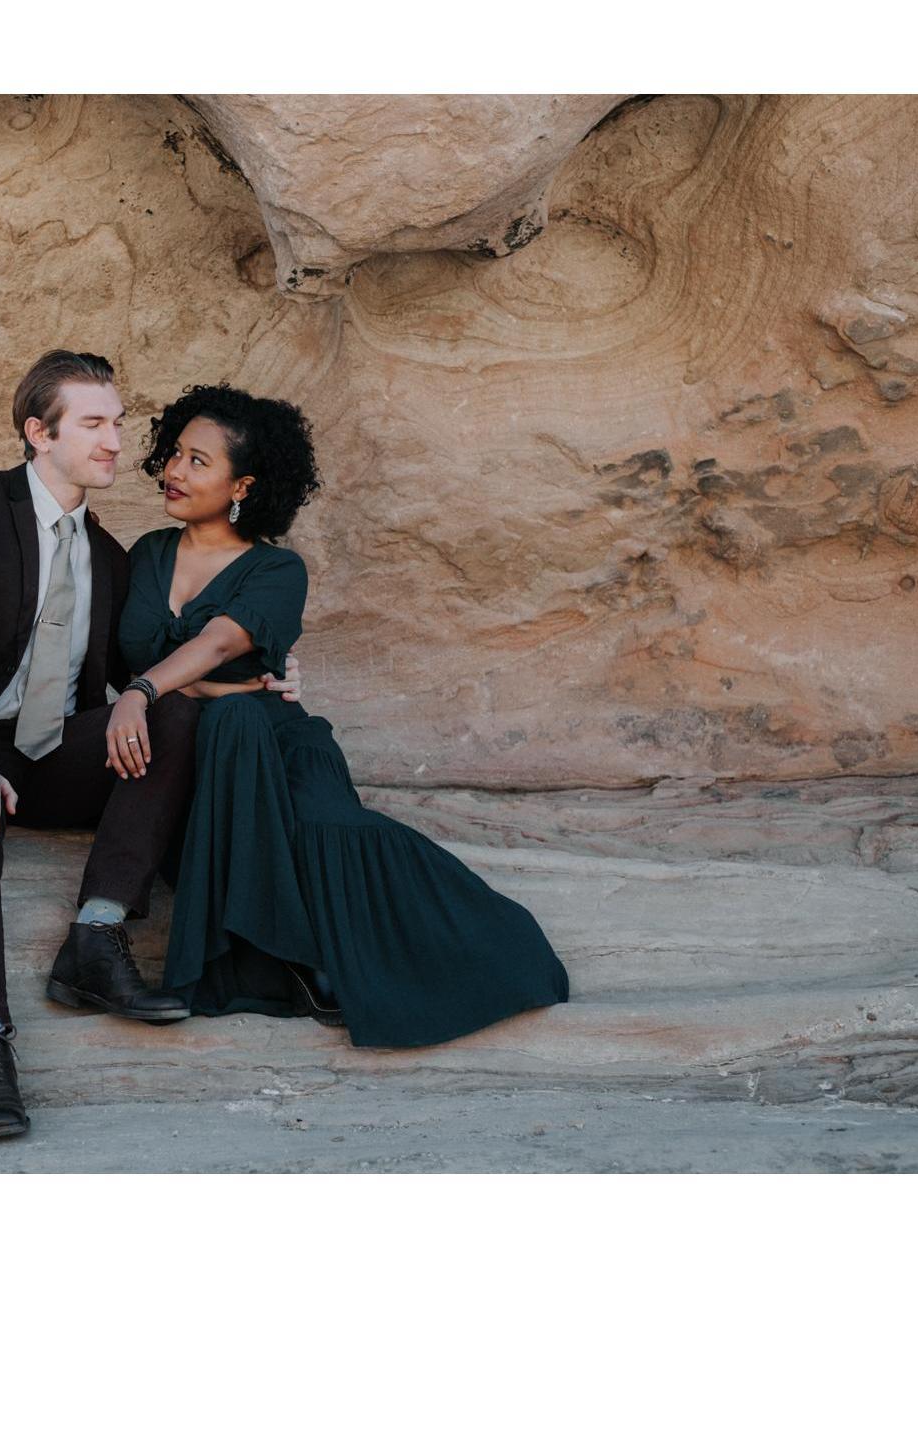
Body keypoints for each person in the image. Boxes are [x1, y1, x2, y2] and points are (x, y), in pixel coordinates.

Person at [0, 351, 304, 1142]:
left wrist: (252, 682)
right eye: (94, 422)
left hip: (51, 751)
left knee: (172, 718)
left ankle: (95, 941)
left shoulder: (108, 556)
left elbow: (141, 681)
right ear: (40, 433)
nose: (116, 440)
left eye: (119, 421)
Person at [108, 383, 571, 1047]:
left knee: (319, 817)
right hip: (194, 756)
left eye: (198, 462)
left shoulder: (277, 570)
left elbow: (216, 645)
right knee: (232, 719)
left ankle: (372, 959)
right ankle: (267, 960)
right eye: (176, 454)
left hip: (278, 748)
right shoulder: (147, 555)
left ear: (243, 485)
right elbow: (129, 659)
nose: (175, 471)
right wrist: (203, 694)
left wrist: (148, 691)